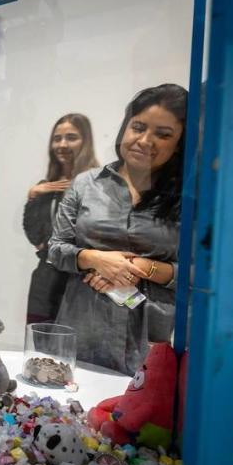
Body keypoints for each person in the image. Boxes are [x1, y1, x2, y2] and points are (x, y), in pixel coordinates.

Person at [48, 84, 187, 375]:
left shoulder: (188, 197)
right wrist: (97, 259)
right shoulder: (87, 184)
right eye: (138, 127)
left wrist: (139, 267)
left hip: (151, 335)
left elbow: (201, 273)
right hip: (83, 326)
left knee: (139, 416)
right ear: (126, 126)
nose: (145, 141)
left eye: (163, 134)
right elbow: (56, 249)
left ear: (179, 144)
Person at [23, 113, 99, 323]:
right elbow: (35, 237)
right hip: (45, 280)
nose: (62, 144)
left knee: (75, 350)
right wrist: (33, 197)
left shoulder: (101, 184)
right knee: (40, 349)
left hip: (81, 281)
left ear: (86, 141)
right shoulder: (47, 186)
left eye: (71, 137)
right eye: (57, 138)